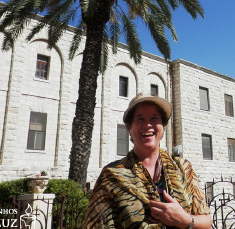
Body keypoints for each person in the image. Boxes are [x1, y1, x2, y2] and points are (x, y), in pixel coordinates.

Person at [82, 94, 211, 228]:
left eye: (154, 118)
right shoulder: (111, 176)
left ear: (163, 126)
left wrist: (184, 220)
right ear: (129, 128)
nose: (148, 125)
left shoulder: (183, 168)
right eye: (140, 119)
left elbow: (206, 222)